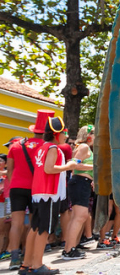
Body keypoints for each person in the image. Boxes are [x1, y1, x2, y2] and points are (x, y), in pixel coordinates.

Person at [23, 116, 78, 275]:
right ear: (56, 133)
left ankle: (26, 264)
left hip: (39, 191)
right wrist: (68, 166)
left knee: (35, 228)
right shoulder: (53, 149)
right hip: (49, 192)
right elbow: (49, 169)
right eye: (64, 132)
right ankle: (37, 264)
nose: (66, 135)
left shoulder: (42, 147)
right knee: (44, 229)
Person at [6, 111, 51, 270]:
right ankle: (30, 257)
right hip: (36, 189)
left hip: (16, 187)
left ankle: (14, 259)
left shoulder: (16, 145)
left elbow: (10, 169)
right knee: (34, 224)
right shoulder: (46, 147)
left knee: (16, 224)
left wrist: (13, 185)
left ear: (33, 130)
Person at [62, 125, 95, 260]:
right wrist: (95, 166)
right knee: (79, 217)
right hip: (80, 182)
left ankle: (69, 248)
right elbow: (74, 164)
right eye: (94, 134)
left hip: (81, 183)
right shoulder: (84, 147)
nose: (96, 137)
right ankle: (69, 250)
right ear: (88, 135)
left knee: (77, 217)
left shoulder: (83, 147)